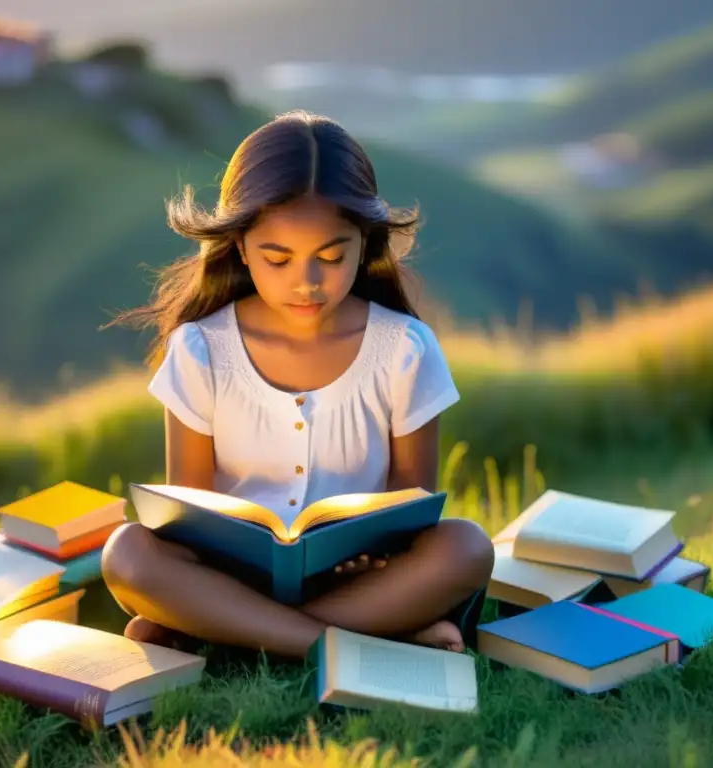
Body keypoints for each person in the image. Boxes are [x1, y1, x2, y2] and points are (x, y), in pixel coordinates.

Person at [100, 110, 495, 661]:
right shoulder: (201, 348)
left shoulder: (405, 347)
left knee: (466, 548)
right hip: (231, 575)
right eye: (277, 258)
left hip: (358, 578)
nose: (306, 282)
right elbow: (186, 514)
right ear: (239, 246)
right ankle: (348, 642)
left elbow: (414, 502)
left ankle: (224, 634)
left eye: (331, 257)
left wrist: (373, 553)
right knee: (129, 554)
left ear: (365, 243)